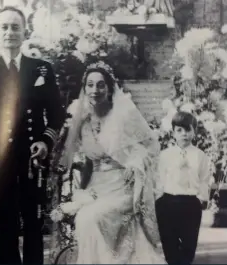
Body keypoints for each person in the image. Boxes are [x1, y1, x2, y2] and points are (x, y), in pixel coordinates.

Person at [0, 6, 64, 264]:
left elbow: (57, 113)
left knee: (34, 225)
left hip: (33, 162)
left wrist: (45, 141)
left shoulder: (41, 69)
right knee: (5, 227)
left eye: (15, 27)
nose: (10, 32)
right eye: (4, 27)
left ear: (25, 32)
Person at [50, 61, 165, 264]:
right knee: (85, 216)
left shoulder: (124, 116)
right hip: (97, 189)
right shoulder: (83, 123)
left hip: (123, 187)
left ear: (110, 88)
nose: (95, 90)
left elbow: (150, 147)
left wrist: (135, 164)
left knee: (91, 218)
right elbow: (86, 163)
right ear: (85, 88)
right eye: (90, 85)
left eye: (101, 85)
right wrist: (79, 193)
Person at [155, 111, 212, 265]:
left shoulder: (200, 156)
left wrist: (201, 199)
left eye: (188, 130)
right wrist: (158, 200)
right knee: (170, 245)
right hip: (167, 202)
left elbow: (204, 180)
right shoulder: (165, 155)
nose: (184, 134)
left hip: (190, 203)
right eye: (179, 130)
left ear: (194, 131)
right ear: (173, 132)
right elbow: (159, 178)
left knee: (188, 246)